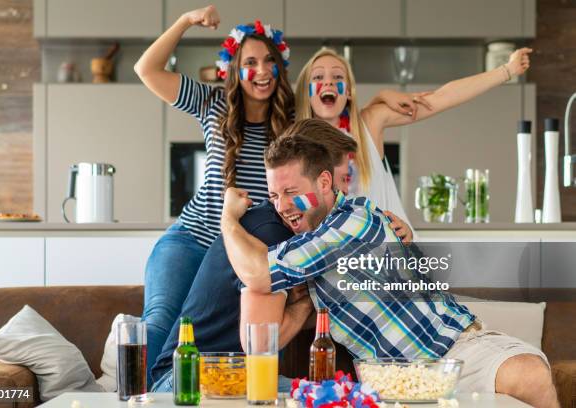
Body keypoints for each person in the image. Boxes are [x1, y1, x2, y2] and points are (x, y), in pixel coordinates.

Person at [221, 130, 559, 407]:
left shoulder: (353, 221)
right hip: (393, 380)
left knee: (530, 374)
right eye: (273, 196)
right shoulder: (308, 252)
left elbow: (257, 274)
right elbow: (264, 336)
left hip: (452, 349)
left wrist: (227, 218)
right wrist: (307, 297)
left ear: (324, 183)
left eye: (291, 192)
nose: (281, 207)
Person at [133, 4, 294, 381]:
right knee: (159, 323)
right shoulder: (213, 103)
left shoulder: (292, 122)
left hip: (235, 256)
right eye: (250, 62)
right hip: (191, 239)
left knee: (215, 340)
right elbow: (147, 70)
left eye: (270, 61)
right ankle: (133, 398)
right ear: (234, 69)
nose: (262, 71)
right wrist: (186, 20)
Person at [149, 119, 357, 391]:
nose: (345, 189)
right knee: (326, 397)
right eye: (275, 195)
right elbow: (259, 343)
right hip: (186, 378)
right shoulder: (270, 232)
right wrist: (307, 302)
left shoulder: (311, 235)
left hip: (224, 373)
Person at [295, 47, 533, 238]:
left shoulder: (370, 122)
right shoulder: (296, 147)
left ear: (348, 91)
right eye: (318, 77)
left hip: (389, 258)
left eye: (338, 77)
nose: (327, 83)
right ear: (307, 91)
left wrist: (507, 70)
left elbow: (442, 98)